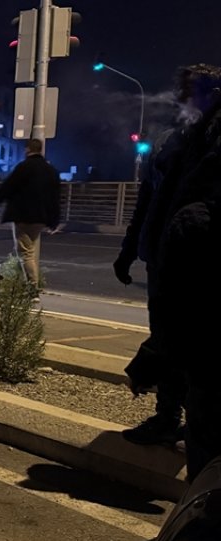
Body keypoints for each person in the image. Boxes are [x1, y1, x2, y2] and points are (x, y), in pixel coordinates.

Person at [114, 64, 221, 446]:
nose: (180, 100)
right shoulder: (170, 144)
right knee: (167, 336)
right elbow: (147, 204)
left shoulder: (211, 141)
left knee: (193, 343)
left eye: (189, 92)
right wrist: (129, 250)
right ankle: (167, 416)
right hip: (162, 257)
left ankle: (197, 425)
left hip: (197, 262)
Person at [0, 138, 61, 290]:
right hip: (40, 218)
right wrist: (54, 221)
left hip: (23, 216)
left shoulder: (24, 167)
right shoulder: (50, 171)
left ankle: (32, 288)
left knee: (26, 253)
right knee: (25, 250)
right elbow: (55, 197)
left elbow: (7, 188)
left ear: (27, 149)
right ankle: (18, 281)